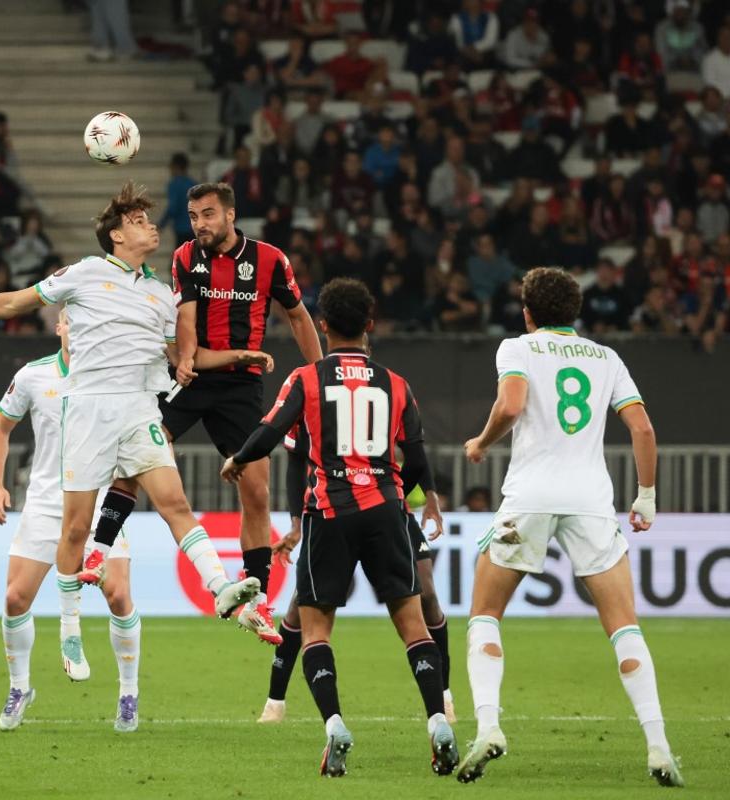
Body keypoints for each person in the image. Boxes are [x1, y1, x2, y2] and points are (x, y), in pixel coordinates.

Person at [0, 182, 269, 638]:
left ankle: (220, 586)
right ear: (118, 236)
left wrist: (240, 356)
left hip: (140, 412)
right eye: (137, 221)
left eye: (147, 219)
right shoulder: (82, 273)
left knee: (175, 504)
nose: (149, 226)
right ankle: (70, 627)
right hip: (89, 414)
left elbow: (186, 356)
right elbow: (12, 301)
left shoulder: (162, 295)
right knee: (76, 530)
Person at [220, 278, 458, 778]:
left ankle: (334, 726)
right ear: (370, 325)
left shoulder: (307, 379)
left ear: (323, 326)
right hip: (386, 510)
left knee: (316, 630)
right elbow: (414, 459)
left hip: (329, 514)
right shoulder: (396, 384)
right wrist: (421, 497)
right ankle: (438, 719)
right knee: (413, 626)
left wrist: (239, 459)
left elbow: (271, 431)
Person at [458, 267, 682, 786]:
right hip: (591, 502)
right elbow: (642, 427)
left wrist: (481, 443)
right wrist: (645, 497)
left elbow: (511, 405)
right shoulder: (607, 358)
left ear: (528, 311)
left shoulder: (517, 348)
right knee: (624, 625)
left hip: (531, 497)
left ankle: (488, 727)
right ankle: (658, 746)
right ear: (575, 312)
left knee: (485, 614)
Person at [82, 182, 323, 645]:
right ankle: (99, 550)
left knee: (256, 489)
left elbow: (297, 316)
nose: (201, 225)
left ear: (231, 216)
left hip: (241, 385)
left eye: (209, 215)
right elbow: (186, 316)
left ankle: (257, 602)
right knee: (140, 451)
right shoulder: (185, 257)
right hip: (193, 378)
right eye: (194, 216)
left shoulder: (270, 260)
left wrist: (318, 375)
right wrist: (187, 358)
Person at [258, 341, 455, 726]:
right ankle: (274, 700)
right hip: (334, 506)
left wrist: (427, 494)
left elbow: (413, 450)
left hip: (385, 502)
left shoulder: (381, 386)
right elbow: (295, 463)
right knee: (303, 603)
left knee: (426, 592)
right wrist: (296, 522)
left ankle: (443, 696)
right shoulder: (311, 391)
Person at [0, 310, 141, 731]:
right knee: (15, 599)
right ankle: (20, 687)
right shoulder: (34, 376)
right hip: (44, 505)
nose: (81, 330)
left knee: (118, 596)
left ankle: (129, 692)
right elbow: (0, 429)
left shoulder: (116, 377)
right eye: (73, 322)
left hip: (98, 507)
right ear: (60, 327)